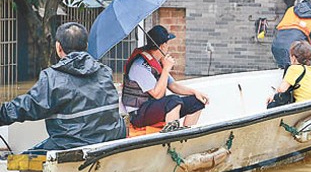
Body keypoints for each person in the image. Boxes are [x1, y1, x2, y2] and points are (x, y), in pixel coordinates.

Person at [0, 22, 126, 151]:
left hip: (70, 145)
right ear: (86, 46)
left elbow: (28, 106)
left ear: (58, 47)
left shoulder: (52, 78)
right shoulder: (105, 72)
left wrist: (2, 113)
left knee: (24, 161)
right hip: (110, 141)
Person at [122, 25, 209, 131]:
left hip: (153, 108)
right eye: (167, 44)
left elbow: (173, 85)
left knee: (196, 102)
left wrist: (195, 92)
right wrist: (166, 69)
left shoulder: (157, 63)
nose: (168, 47)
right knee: (173, 101)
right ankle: (172, 137)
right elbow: (157, 95)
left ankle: (187, 134)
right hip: (138, 114)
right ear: (163, 46)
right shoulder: (139, 66)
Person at [267, 41, 311, 108]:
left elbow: (282, 89)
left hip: (303, 106)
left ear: (293, 58)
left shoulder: (294, 68)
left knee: (271, 106)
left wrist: (273, 97)